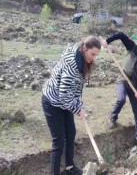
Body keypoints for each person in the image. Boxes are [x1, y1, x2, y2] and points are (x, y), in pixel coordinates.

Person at [41, 36, 101, 175]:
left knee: (71, 133)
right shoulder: (72, 65)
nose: (93, 58)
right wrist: (77, 109)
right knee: (59, 142)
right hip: (52, 102)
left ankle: (69, 168)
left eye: (96, 55)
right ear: (84, 48)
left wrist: (78, 104)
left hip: (65, 102)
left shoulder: (81, 59)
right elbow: (63, 95)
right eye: (92, 54)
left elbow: (75, 89)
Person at [102, 32, 137, 145]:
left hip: (134, 86)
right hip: (122, 79)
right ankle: (112, 117)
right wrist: (107, 41)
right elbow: (121, 35)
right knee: (121, 99)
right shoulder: (133, 47)